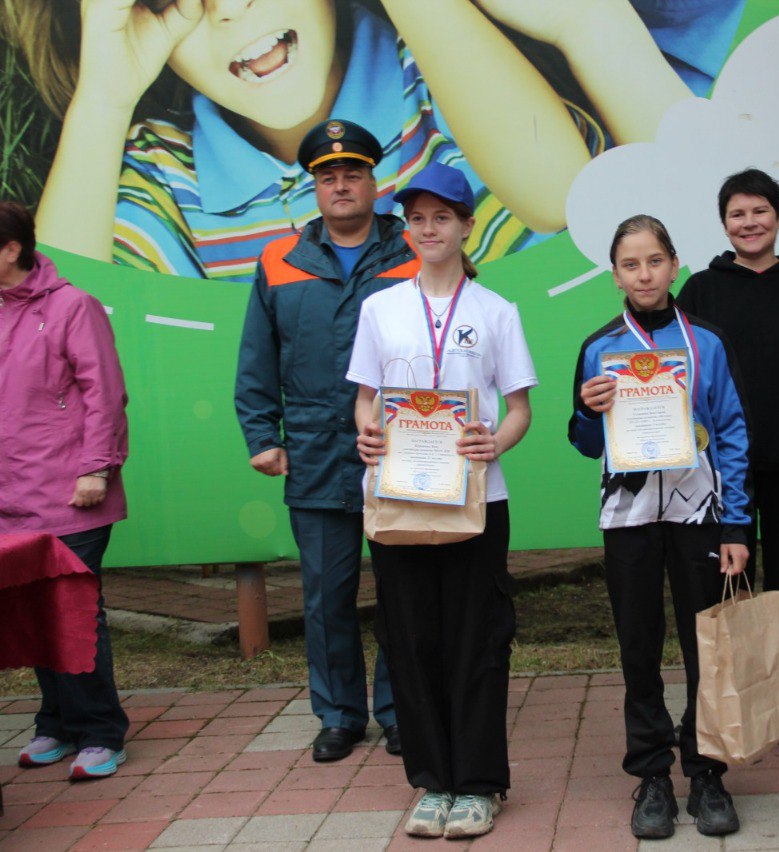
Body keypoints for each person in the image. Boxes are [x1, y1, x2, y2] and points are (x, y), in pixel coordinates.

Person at [3, 0, 694, 282]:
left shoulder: (440, 74)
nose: (232, 8)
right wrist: (104, 97)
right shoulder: (166, 174)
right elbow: (50, 328)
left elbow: (564, 200)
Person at [348, 162, 536, 838]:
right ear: (408, 228)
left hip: (476, 502)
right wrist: (367, 433)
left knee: (478, 641)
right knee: (410, 641)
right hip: (399, 499)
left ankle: (479, 784)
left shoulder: (496, 312)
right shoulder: (380, 308)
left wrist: (495, 442)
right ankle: (432, 782)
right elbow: (366, 398)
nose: (429, 229)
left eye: (442, 218)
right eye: (418, 219)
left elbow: (519, 409)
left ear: (466, 227)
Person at [235, 119, 412, 763]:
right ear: (314, 187)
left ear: (374, 183)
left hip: (403, 449)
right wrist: (262, 434)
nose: (341, 186)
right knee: (327, 597)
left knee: (402, 594)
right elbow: (257, 355)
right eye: (328, 176)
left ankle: (402, 711)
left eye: (353, 174)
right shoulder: (279, 260)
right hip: (314, 451)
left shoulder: (412, 251)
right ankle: (338, 716)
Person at [570, 215, 749, 840]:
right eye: (630, 264)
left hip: (700, 514)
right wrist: (589, 411)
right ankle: (651, 774)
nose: (644, 275)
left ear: (674, 265)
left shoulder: (708, 342)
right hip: (629, 518)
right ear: (615, 275)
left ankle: (707, 772)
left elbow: (732, 432)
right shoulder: (599, 347)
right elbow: (585, 442)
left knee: (707, 644)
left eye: (654, 261)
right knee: (638, 645)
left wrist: (737, 524)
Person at [675, 168, 779, 744]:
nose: (750, 222)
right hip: (721, 471)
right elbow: (680, 371)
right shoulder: (700, 290)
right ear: (724, 224)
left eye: (760, 211)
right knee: (725, 590)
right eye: (737, 214)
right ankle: (729, 703)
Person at [0, 200, 131, 780]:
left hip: (70, 493)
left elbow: (105, 392)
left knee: (71, 611)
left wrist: (96, 468)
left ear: (11, 249)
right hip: (10, 496)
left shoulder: (72, 305)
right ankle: (54, 722)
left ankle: (100, 731)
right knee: (30, 611)